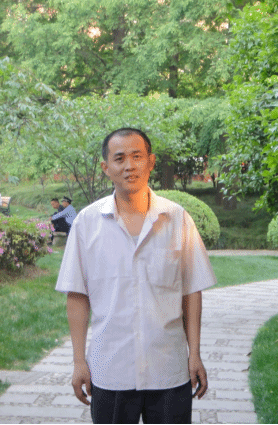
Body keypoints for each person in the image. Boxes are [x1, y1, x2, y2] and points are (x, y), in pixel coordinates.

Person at [55, 127, 216, 424]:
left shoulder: (177, 219)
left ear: (150, 162)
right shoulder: (87, 224)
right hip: (110, 369)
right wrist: (78, 362)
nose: (129, 165)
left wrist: (194, 353)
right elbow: (77, 295)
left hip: (168, 369)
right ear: (106, 168)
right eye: (119, 158)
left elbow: (191, 291)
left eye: (137, 156)